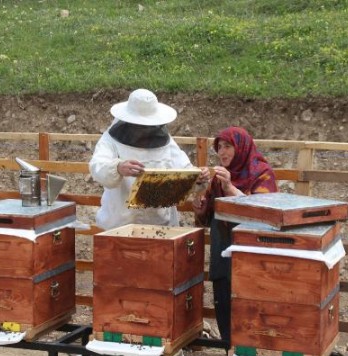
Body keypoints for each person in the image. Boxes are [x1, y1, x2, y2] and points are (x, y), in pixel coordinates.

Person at [192, 126, 278, 343]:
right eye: (219, 147)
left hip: (253, 256)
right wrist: (200, 207)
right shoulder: (218, 178)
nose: (222, 152)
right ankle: (229, 350)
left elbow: (265, 214)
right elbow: (206, 219)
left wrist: (230, 188)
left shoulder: (262, 173)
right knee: (224, 303)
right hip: (223, 256)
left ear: (241, 147)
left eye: (227, 146)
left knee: (252, 307)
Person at [89, 88, 208, 230]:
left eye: (147, 126)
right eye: (139, 126)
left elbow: (184, 169)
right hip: (119, 223)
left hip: (160, 224)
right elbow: (97, 166)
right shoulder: (110, 140)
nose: (144, 131)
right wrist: (118, 167)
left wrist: (197, 177)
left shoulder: (166, 142)